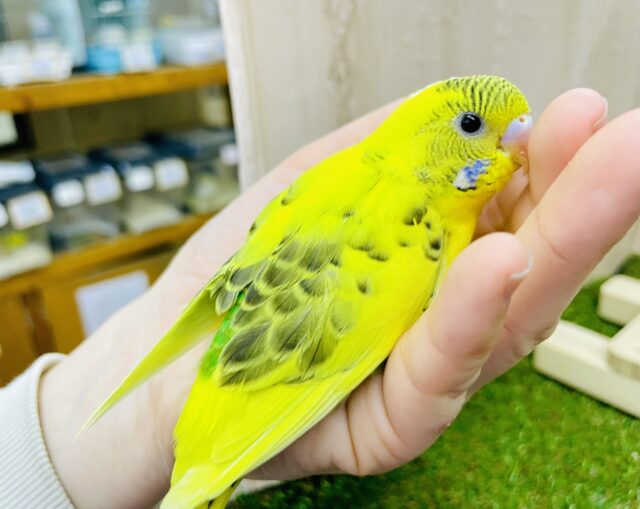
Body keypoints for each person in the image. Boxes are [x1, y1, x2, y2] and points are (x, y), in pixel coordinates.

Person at [1, 87, 637, 509]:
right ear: (424, 137)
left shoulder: (367, 181)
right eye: (475, 126)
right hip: (252, 385)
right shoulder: (407, 223)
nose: (513, 139)